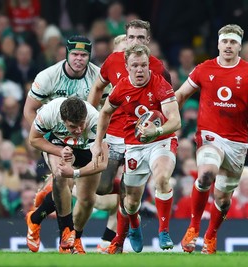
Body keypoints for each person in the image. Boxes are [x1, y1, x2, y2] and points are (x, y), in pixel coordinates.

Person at [175, 24, 248, 254]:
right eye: (225, 41)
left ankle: (211, 235)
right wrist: (168, 114)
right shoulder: (204, 69)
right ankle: (193, 228)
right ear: (218, 43)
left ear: (239, 46)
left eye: (233, 42)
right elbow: (180, 94)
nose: (228, 46)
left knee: (222, 198)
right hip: (210, 135)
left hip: (237, 142)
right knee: (206, 174)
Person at [87, 19, 172, 254]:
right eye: (131, 37)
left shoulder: (158, 68)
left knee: (129, 192)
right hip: (114, 135)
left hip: (142, 139)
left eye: (140, 38)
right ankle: (132, 204)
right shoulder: (113, 60)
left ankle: (124, 234)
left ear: (148, 40)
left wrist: (158, 131)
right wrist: (90, 121)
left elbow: (167, 106)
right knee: (102, 188)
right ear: (125, 38)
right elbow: (97, 88)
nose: (135, 42)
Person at [27, 97, 108, 254]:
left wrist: (75, 172)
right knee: (62, 177)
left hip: (86, 149)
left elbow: (102, 163)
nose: (78, 130)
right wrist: (59, 151)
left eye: (81, 124)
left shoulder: (96, 120)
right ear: (62, 120)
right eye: (72, 126)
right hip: (59, 145)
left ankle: (35, 219)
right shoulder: (48, 113)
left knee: (87, 199)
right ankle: (67, 234)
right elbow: (33, 139)